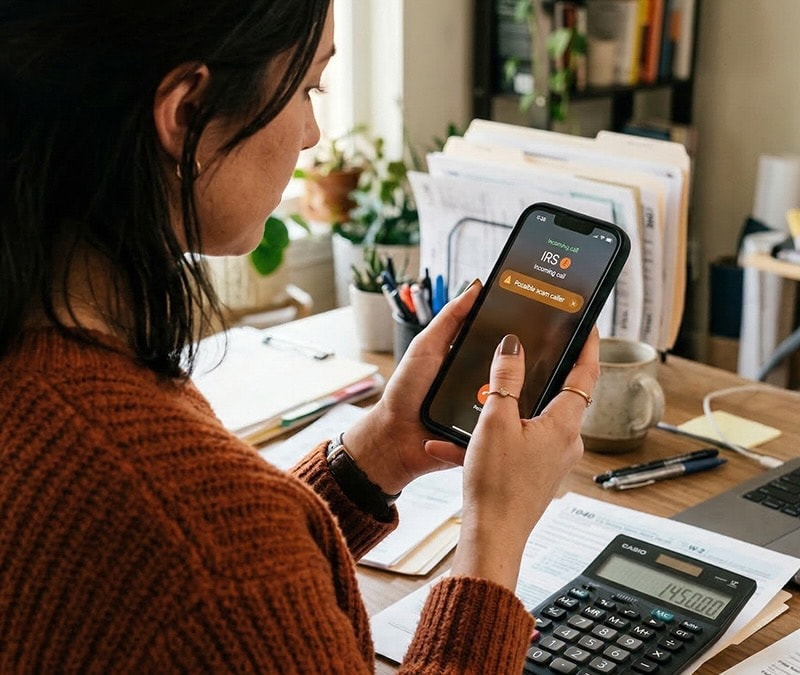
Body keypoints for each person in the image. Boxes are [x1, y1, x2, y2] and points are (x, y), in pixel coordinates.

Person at [0, 0, 599, 672]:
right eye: (309, 88)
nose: (313, 133)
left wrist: (373, 457)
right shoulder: (214, 553)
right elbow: (221, 575)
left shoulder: (46, 371)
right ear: (188, 111)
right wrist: (494, 532)